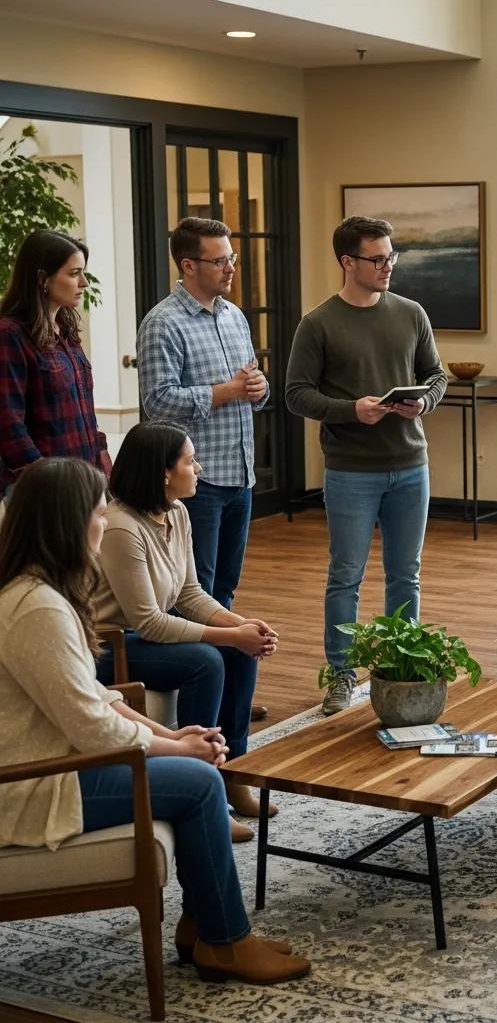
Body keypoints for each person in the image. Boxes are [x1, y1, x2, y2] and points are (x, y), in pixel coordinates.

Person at [0, 456, 309, 984]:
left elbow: (95, 696)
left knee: (195, 772)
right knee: (195, 782)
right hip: (35, 786)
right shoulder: (36, 608)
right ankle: (225, 942)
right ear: (67, 523)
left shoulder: (42, 595)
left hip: (63, 764)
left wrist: (171, 734)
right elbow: (94, 728)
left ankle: (205, 930)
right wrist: (181, 751)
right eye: (97, 514)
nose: (103, 523)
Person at [285, 216, 447, 715]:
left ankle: (402, 665)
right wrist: (350, 410)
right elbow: (296, 395)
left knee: (407, 575)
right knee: (346, 575)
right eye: (377, 259)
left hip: (409, 465)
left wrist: (423, 404)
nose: (387, 266)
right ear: (347, 262)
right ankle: (340, 674)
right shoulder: (318, 324)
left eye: (391, 256)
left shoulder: (411, 313)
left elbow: (435, 375)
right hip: (350, 469)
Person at [93, 422, 279, 842]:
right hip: (109, 645)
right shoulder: (121, 527)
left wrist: (243, 627)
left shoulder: (176, 512)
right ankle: (205, 787)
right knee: (207, 660)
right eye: (190, 460)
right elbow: (148, 621)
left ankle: (234, 774)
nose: (198, 467)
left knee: (238, 651)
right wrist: (231, 637)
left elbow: (191, 594)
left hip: (143, 637)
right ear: (163, 472)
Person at [137, 217, 270, 720]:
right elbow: (157, 403)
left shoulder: (235, 316)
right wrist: (226, 391)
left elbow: (252, 392)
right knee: (196, 595)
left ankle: (224, 688)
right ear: (188, 265)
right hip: (199, 483)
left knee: (225, 593)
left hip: (240, 475)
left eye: (232, 257)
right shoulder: (163, 323)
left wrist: (257, 390)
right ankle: (196, 706)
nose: (231, 267)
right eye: (221, 260)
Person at [0, 230, 110, 497]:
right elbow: (8, 423)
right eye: (74, 274)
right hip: (42, 490)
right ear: (42, 279)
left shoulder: (66, 332)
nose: (84, 282)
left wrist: (102, 468)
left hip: (83, 482)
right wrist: (46, 483)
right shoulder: (10, 334)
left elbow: (83, 413)